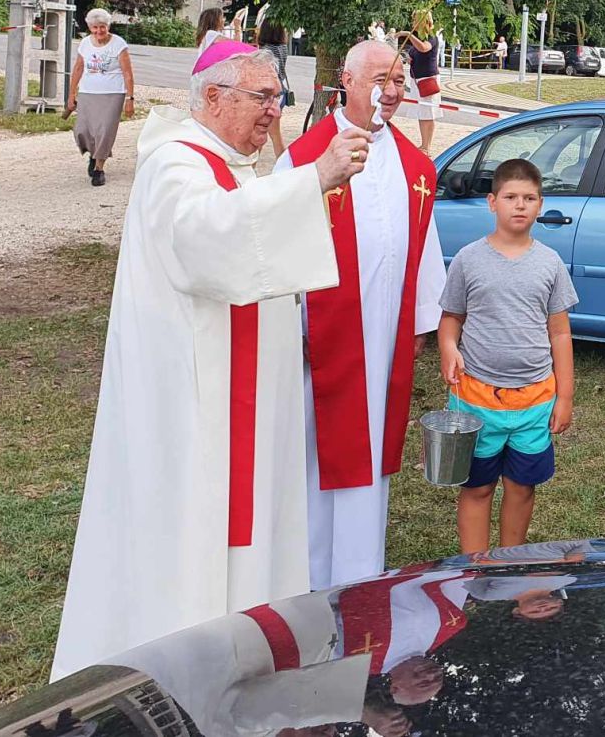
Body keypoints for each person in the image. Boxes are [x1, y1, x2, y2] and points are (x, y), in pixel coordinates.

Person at [51, 42, 373, 680]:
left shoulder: (237, 166)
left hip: (242, 395)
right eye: (263, 98)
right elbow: (207, 240)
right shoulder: (174, 165)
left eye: (277, 98)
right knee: (191, 527)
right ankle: (179, 667)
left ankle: (248, 654)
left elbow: (255, 233)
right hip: (191, 403)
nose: (273, 111)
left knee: (253, 520)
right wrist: (312, 180)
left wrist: (293, 182)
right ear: (213, 97)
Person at [276, 40, 446, 589]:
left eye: (399, 80)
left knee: (369, 453)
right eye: (380, 79)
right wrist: (292, 324)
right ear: (345, 81)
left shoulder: (416, 167)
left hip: (384, 337)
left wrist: (420, 322)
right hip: (318, 343)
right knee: (313, 459)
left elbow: (423, 250)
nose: (392, 91)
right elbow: (276, 248)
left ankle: (360, 574)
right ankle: (305, 578)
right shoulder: (303, 159)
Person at [438, 158, 579, 555]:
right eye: (511, 197)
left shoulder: (549, 263)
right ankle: (474, 569)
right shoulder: (469, 259)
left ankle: (509, 567)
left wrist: (564, 397)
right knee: (477, 487)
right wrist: (449, 348)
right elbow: (451, 319)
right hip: (476, 400)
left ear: (540, 204)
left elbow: (560, 332)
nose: (520, 205)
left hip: (534, 401)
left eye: (529, 198)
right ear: (491, 202)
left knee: (521, 487)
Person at [67, 8, 136, 187]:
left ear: (108, 26)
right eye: (95, 28)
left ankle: (99, 168)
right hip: (88, 92)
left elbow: (127, 73)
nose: (99, 31)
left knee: (105, 130)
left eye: (102, 27)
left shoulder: (118, 44)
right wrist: (71, 94)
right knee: (82, 130)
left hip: (113, 93)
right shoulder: (84, 44)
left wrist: (130, 99)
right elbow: (78, 69)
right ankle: (93, 153)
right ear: (90, 27)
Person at [395, 10, 443, 153]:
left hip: (428, 79)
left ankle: (427, 145)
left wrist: (407, 34)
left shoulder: (431, 37)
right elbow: (416, 52)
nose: (413, 23)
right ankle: (424, 144)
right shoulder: (419, 37)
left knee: (429, 112)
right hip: (417, 79)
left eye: (415, 20)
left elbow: (423, 48)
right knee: (422, 112)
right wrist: (409, 58)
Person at [257, 20, 293, 158]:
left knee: (263, 135)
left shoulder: (266, 51)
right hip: (281, 92)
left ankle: (251, 167)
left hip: (270, 95)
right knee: (273, 135)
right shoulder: (283, 47)